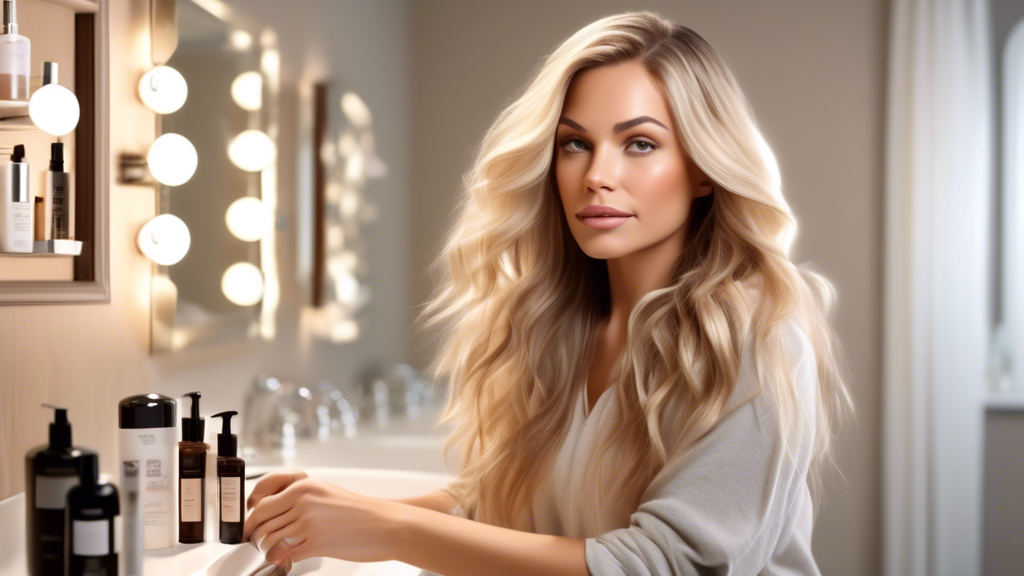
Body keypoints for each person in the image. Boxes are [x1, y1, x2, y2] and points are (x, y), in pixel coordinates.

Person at [242, 10, 856, 575]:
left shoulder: (758, 335)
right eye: (575, 143)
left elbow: (664, 565)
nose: (597, 176)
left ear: (702, 168)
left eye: (639, 143)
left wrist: (390, 529)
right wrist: (341, 514)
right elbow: (510, 508)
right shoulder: (559, 326)